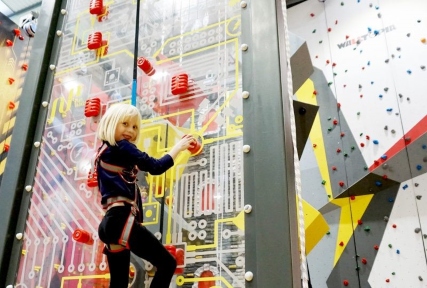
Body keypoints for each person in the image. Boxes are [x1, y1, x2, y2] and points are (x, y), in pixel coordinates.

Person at [95, 103, 195, 287]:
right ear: (111, 123)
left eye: (134, 127)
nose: (130, 131)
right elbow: (156, 166)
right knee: (167, 263)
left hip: (109, 224)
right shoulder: (122, 147)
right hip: (122, 221)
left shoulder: (103, 152)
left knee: (118, 283)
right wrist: (178, 147)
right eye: (125, 124)